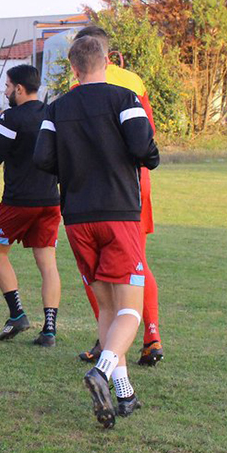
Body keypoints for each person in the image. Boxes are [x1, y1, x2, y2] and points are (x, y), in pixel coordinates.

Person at [33, 36, 159, 428]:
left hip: (77, 217)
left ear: (73, 68)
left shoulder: (57, 108)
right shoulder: (124, 99)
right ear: (107, 61)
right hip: (119, 213)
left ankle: (125, 394)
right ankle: (102, 371)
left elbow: (43, 158)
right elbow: (144, 147)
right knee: (130, 309)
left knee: (106, 307)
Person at [70, 25, 164, 367]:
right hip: (132, 182)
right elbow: (146, 138)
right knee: (135, 264)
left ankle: (112, 343)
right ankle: (149, 337)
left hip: (98, 189)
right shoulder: (133, 82)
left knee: (99, 273)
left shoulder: (78, 85)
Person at [0, 65, 61, 346]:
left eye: (7, 87)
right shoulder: (52, 113)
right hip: (51, 200)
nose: (5, 92)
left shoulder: (12, 117)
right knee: (47, 263)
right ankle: (49, 330)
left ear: (18, 88)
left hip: (18, 201)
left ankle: (17, 313)